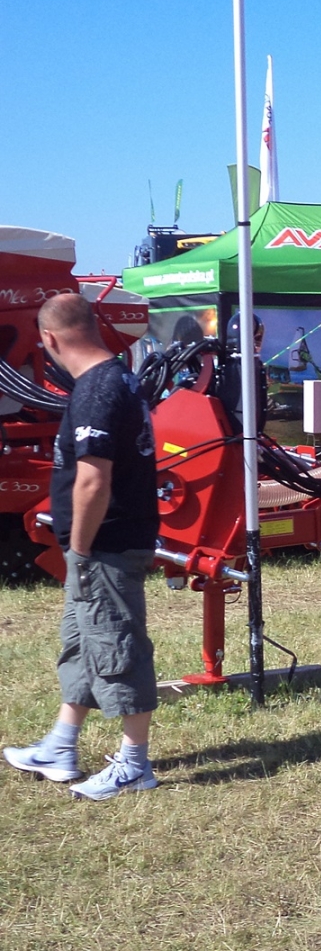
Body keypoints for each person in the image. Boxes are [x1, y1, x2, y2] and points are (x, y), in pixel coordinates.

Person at [3, 293, 161, 800]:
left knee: (117, 648)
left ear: (48, 338)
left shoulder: (97, 390)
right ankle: (60, 745)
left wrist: (79, 547)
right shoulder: (115, 379)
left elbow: (93, 480)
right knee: (83, 643)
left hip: (105, 544)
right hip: (101, 545)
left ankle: (134, 765)